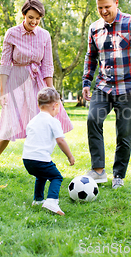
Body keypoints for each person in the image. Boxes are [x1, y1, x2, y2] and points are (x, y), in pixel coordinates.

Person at [0, 0, 73, 177]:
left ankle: (42, 162)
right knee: (9, 124)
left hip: (36, 80)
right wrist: (3, 92)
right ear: (23, 15)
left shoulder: (44, 36)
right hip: (16, 80)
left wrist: (51, 92)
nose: (33, 22)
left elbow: (47, 65)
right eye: (30, 17)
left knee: (41, 121)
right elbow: (5, 64)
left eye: (37, 19)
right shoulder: (11, 34)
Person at [82, 0, 131, 189]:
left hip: (128, 87)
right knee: (93, 119)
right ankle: (98, 171)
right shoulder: (94, 28)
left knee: (124, 133)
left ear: (116, 3)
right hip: (103, 87)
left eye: (107, 7)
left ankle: (118, 175)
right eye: (100, 8)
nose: (104, 11)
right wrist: (87, 82)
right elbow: (91, 57)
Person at [22, 87, 75, 215]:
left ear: (39, 104)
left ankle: (38, 200)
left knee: (41, 176)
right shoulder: (53, 121)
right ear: (55, 106)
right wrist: (70, 156)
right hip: (40, 159)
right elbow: (60, 141)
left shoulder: (33, 121)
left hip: (27, 159)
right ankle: (51, 201)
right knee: (56, 177)